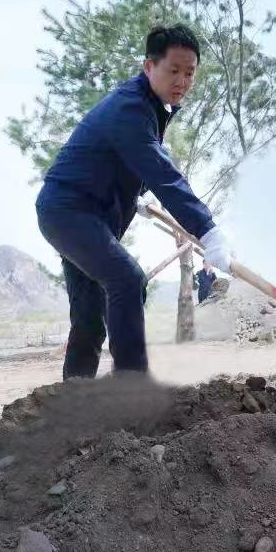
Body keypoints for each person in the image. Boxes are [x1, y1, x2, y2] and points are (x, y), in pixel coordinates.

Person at [34, 24, 234, 381]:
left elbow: (131, 161)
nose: (182, 81)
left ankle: (73, 398)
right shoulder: (132, 107)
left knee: (90, 316)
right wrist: (208, 229)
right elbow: (163, 174)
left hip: (84, 214)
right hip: (69, 212)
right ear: (149, 67)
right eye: (173, 70)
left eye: (190, 73)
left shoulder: (150, 108)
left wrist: (135, 193)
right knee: (127, 279)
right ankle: (132, 388)